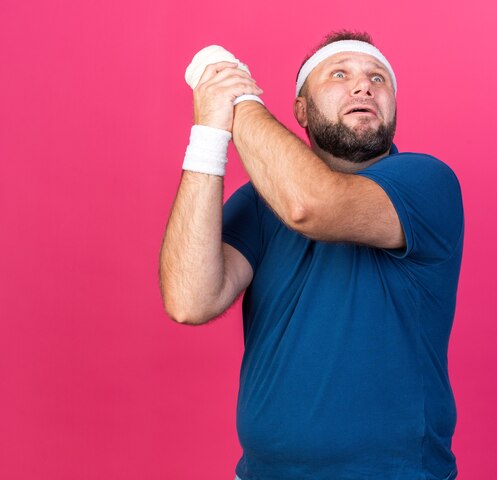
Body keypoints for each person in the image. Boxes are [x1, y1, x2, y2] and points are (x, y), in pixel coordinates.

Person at [159, 30, 464, 480]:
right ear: (300, 109)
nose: (364, 86)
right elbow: (189, 300)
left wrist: (238, 97)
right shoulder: (260, 204)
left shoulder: (426, 181)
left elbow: (313, 207)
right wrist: (207, 136)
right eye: (340, 74)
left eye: (378, 79)